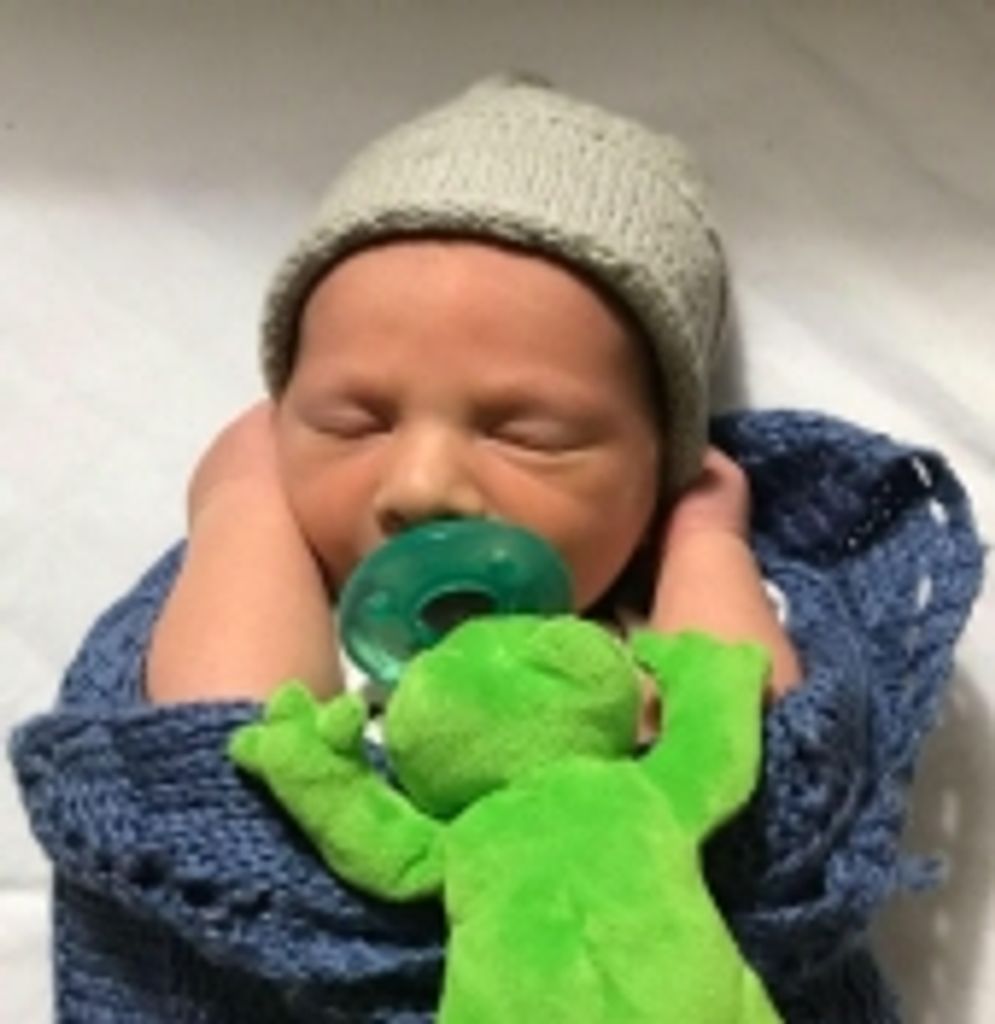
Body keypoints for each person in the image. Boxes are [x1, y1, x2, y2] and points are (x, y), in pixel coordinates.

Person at [10, 76, 983, 1023]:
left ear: (657, 471)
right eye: (352, 421)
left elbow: (768, 762)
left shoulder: (646, 623)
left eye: (529, 434)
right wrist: (240, 507)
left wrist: (703, 542)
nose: (421, 484)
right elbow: (215, 748)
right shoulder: (283, 613)